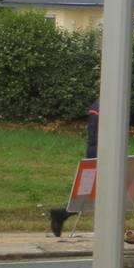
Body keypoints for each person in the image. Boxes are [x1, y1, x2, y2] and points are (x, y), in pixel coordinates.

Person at [47, 99, 97, 237]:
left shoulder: (102, 106)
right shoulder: (104, 106)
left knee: (93, 195)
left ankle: (62, 214)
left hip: (99, 155)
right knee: (105, 194)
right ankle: (62, 214)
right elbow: (95, 136)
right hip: (100, 157)